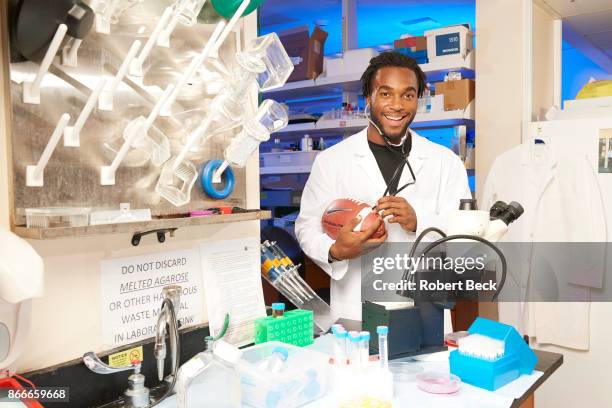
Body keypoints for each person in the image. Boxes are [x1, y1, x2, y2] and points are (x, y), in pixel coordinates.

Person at [295, 51, 471, 320]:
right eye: (386, 93)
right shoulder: (332, 161)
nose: (397, 105)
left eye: (408, 95)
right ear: (369, 98)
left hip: (423, 308)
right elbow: (307, 227)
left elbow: (467, 236)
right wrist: (335, 250)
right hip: (356, 308)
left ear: (418, 99)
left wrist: (418, 221)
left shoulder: (445, 162)